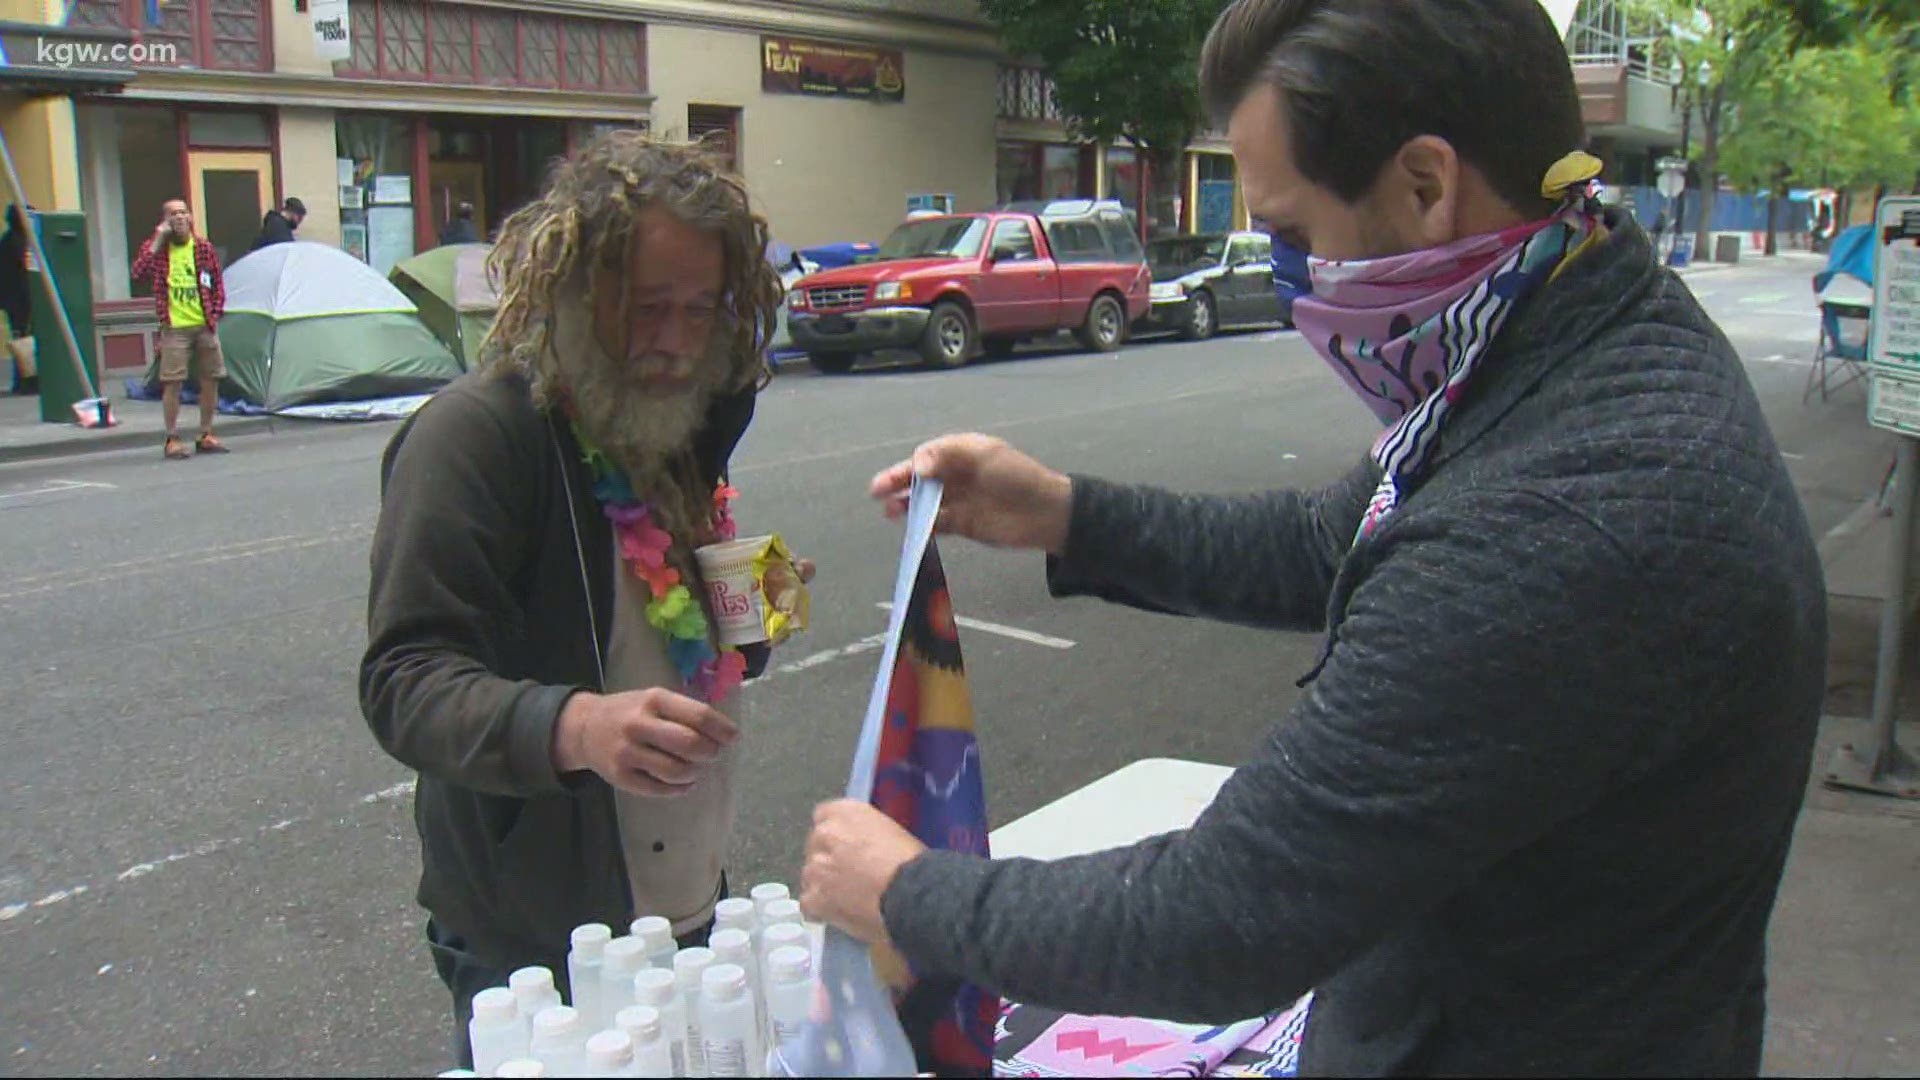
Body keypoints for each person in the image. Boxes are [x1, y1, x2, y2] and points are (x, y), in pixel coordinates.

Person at [799, 0, 1826, 1075]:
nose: (1293, 282)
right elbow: (1340, 536)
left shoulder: (1568, 520)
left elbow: (1222, 918)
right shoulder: (1582, 325)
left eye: (1295, 235)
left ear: (1426, 185)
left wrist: (908, 891)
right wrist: (1065, 513)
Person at [359, 132, 807, 1069]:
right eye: (646, 309)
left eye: (699, 311)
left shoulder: (680, 417)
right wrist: (578, 727)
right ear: (572, 289)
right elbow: (406, 680)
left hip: (688, 896)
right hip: (542, 944)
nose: (675, 344)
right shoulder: (473, 440)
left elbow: (682, 627)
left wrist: (756, 602)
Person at [130, 199, 229, 459]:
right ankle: (172, 438)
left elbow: (217, 283)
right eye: (173, 214)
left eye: (184, 212)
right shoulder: (160, 250)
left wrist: (215, 313)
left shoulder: (203, 248)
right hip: (175, 327)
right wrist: (157, 239)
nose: (180, 218)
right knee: (172, 382)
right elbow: (138, 274)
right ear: (165, 221)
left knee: (211, 378)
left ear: (191, 217)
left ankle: (205, 433)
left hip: (204, 324)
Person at [1, 205, 33, 394]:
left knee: (21, 339)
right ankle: (26, 380)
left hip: (14, 300)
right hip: (21, 300)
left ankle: (24, 379)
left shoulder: (8, 240)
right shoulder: (17, 242)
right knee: (24, 340)